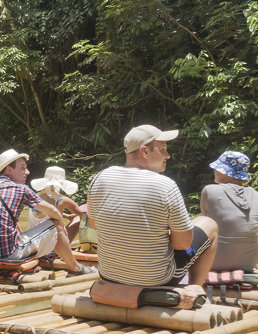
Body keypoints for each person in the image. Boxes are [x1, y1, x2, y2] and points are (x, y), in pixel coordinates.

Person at [87, 125, 218, 292]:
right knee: (208, 223)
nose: (168, 155)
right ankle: (194, 289)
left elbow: (95, 224)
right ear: (145, 151)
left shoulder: (100, 177)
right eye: (162, 149)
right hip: (157, 280)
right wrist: (164, 236)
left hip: (108, 274)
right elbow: (184, 244)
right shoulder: (165, 185)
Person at [0, 149, 94, 274]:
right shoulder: (21, 189)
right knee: (56, 224)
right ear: (9, 169)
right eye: (23, 168)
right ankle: (75, 268)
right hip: (7, 254)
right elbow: (53, 211)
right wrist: (62, 227)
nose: (27, 172)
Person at [200, 150, 258, 273]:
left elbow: (206, 222)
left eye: (218, 168)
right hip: (249, 263)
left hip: (214, 262)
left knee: (199, 223)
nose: (214, 170)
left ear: (227, 173)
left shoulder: (209, 190)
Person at [29, 165, 82, 241]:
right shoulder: (63, 200)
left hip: (31, 243)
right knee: (79, 218)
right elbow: (83, 214)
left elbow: (45, 212)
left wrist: (66, 216)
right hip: (50, 246)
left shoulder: (34, 196)